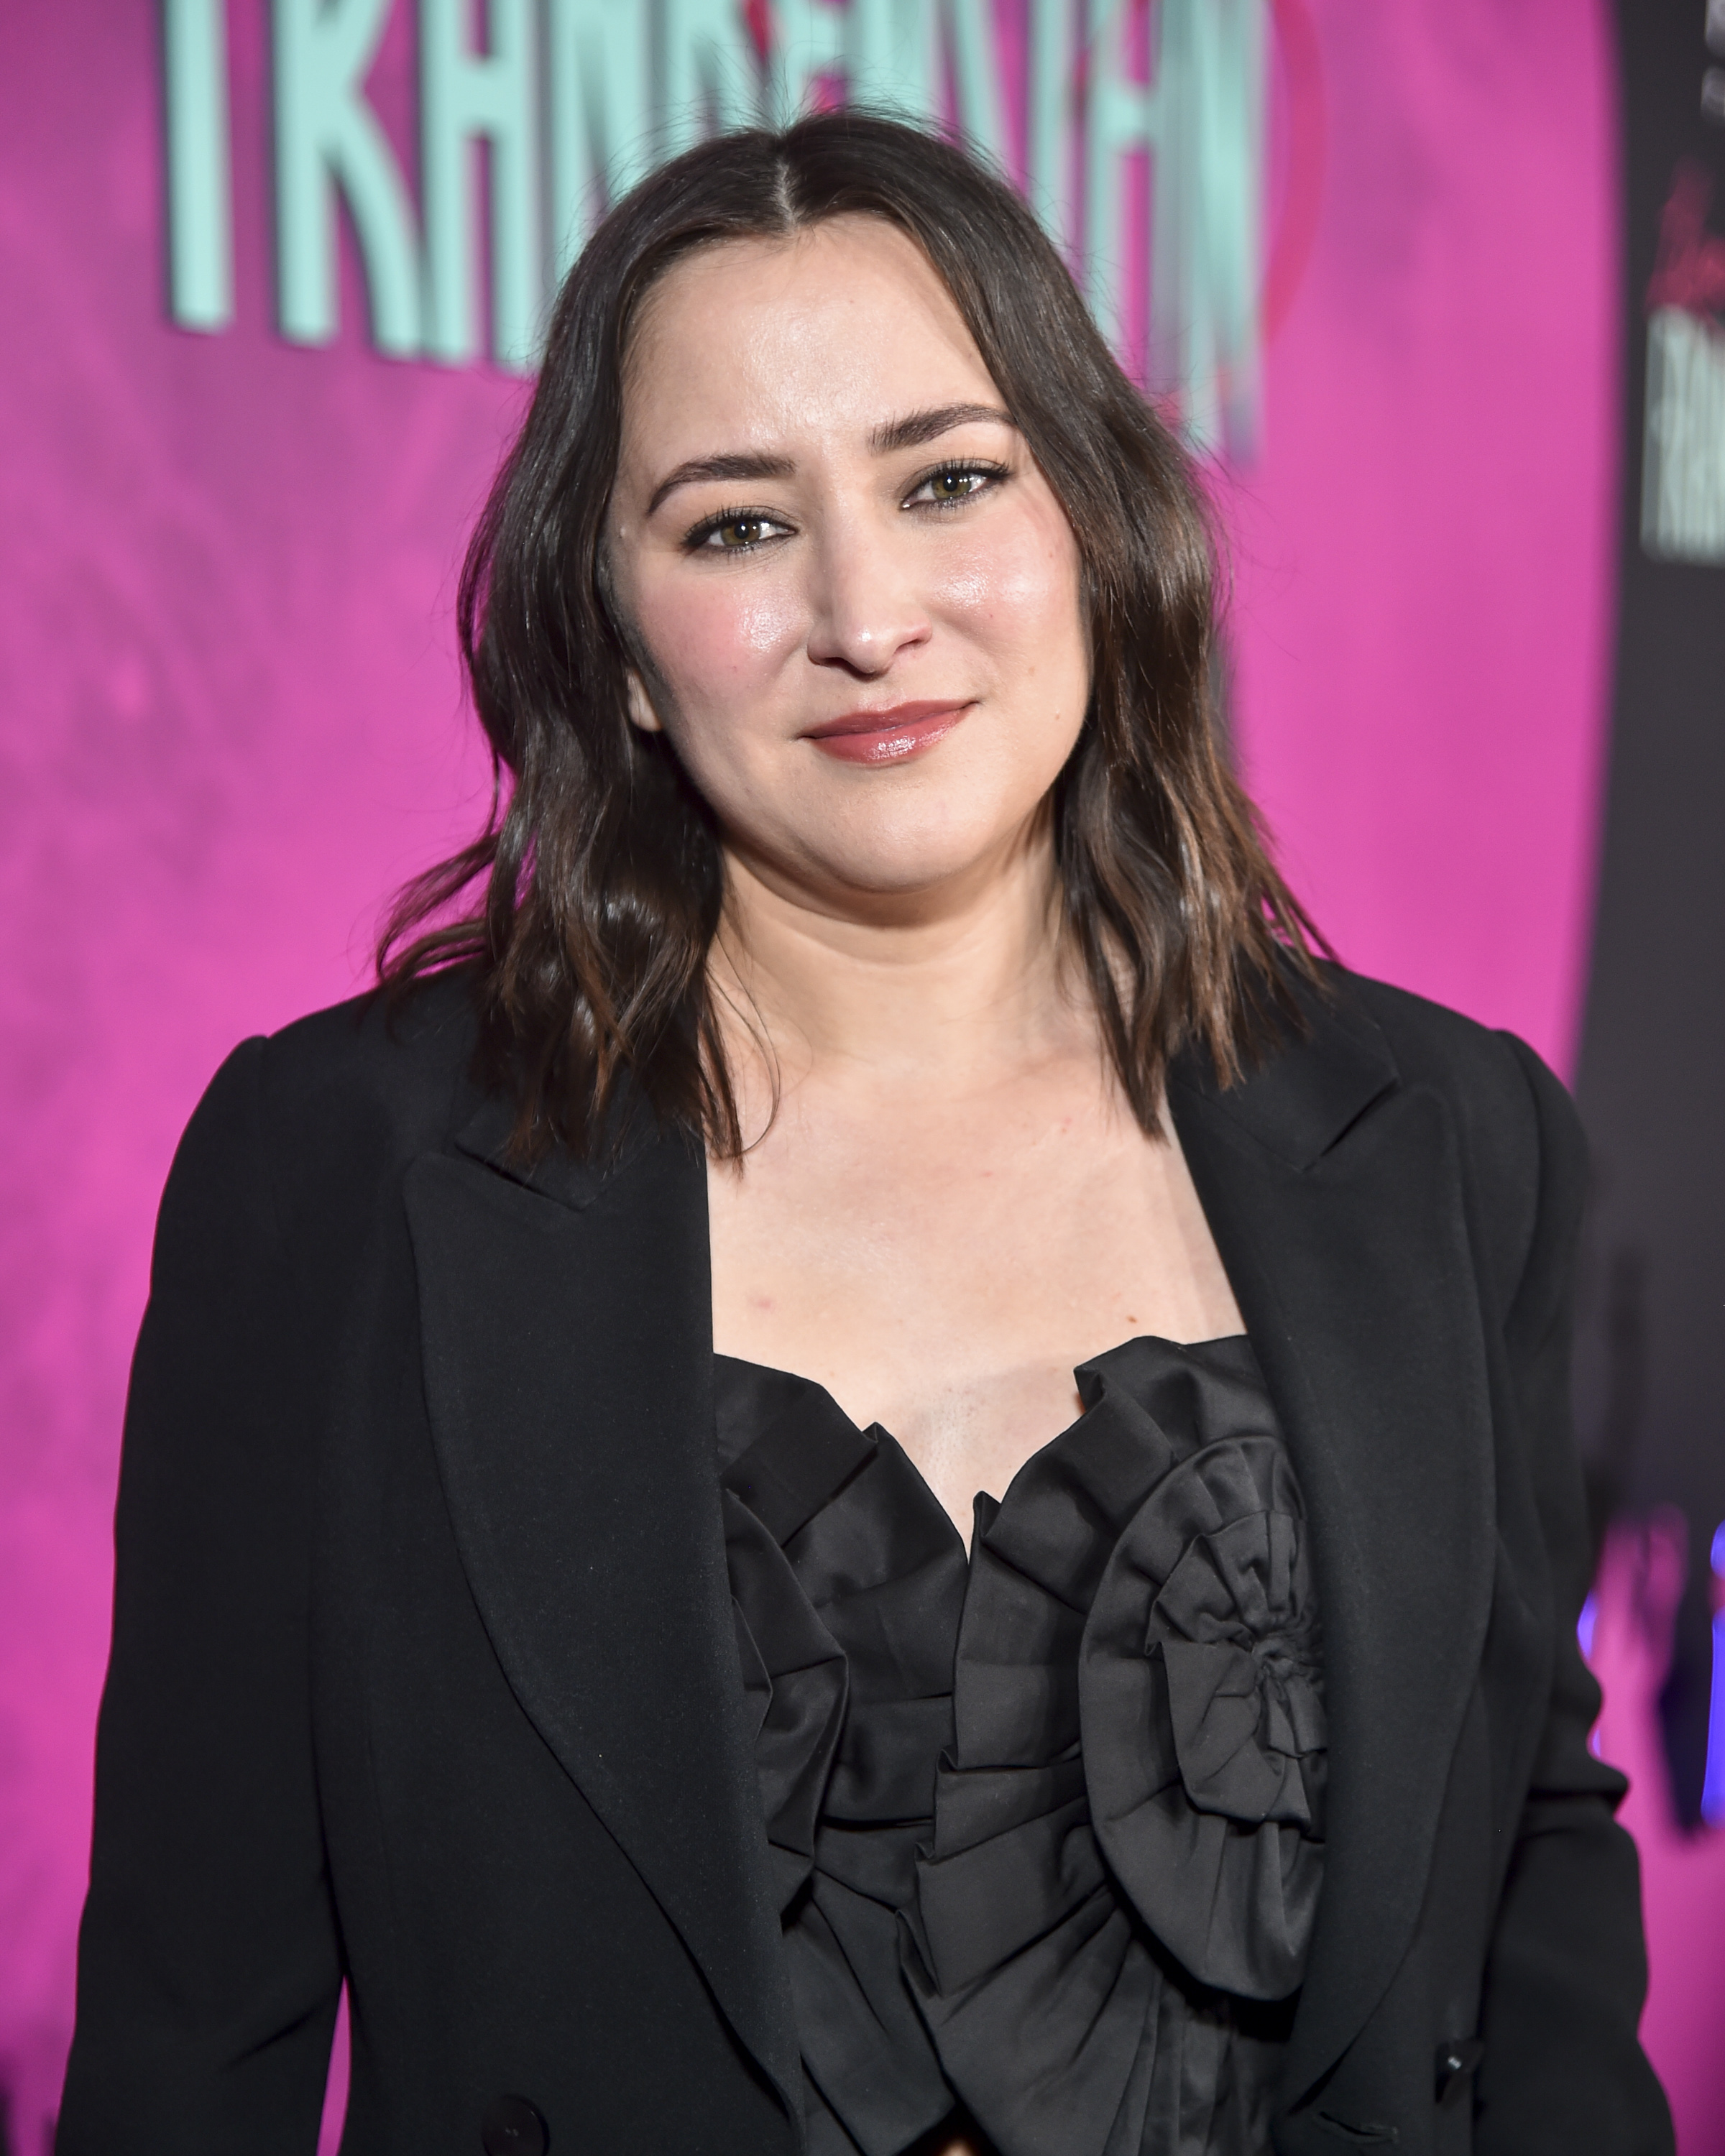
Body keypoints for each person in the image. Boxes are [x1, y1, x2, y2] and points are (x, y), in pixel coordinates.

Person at [57, 111, 1670, 2156]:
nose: (867, 610)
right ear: (621, 645)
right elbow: (197, 2036)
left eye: (949, 480)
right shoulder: (342, 1176)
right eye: (737, 526)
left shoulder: (1445, 1140)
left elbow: (1526, 1901)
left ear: (1091, 519)